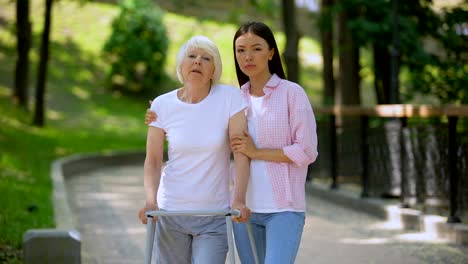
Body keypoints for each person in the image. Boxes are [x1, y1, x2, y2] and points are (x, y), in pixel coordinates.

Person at [145, 21, 318, 264]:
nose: (248, 56)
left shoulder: (292, 94)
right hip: (242, 210)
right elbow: (195, 116)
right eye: (240, 50)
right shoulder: (235, 97)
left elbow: (307, 151)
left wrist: (257, 152)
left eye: (256, 49)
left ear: (271, 52)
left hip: (283, 208)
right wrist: (160, 112)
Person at [138, 35, 251, 264]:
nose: (197, 61)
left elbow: (241, 153)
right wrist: (150, 201)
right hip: (171, 214)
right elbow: (153, 160)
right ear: (182, 66)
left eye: (206, 58)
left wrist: (238, 199)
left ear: (213, 70)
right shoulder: (162, 105)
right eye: (192, 56)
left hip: (214, 216)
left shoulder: (230, 98)